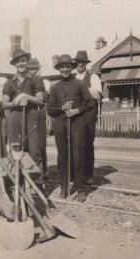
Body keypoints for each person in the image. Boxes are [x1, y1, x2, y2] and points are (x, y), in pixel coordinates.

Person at [46, 54, 95, 202]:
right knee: (62, 157)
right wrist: (62, 108)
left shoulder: (79, 84)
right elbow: (50, 109)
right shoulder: (55, 88)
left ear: (71, 68)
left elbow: (90, 103)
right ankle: (64, 187)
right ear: (59, 69)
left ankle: (80, 189)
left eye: (67, 66)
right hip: (61, 125)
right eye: (62, 67)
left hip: (77, 124)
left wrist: (77, 110)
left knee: (78, 156)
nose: (65, 69)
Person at [2, 49, 46, 186]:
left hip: (31, 118)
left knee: (35, 151)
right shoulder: (9, 82)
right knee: (16, 151)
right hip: (15, 119)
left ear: (27, 62)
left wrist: (26, 96)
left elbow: (40, 100)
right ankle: (17, 182)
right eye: (17, 62)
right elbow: (4, 103)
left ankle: (37, 184)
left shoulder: (35, 79)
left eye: (23, 61)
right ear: (14, 64)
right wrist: (15, 102)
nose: (20, 64)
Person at [73, 50, 102, 186]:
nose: (80, 64)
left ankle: (88, 175)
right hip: (75, 113)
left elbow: (96, 95)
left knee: (88, 144)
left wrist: (82, 86)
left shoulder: (93, 77)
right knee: (75, 144)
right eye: (78, 62)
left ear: (86, 63)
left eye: (82, 62)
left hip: (89, 113)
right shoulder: (72, 77)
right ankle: (76, 174)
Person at [26, 58, 50, 179]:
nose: (33, 71)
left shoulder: (43, 80)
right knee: (34, 144)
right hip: (32, 112)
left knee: (41, 142)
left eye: (35, 69)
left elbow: (43, 98)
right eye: (31, 69)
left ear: (39, 69)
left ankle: (44, 170)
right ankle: (38, 170)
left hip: (40, 112)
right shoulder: (29, 81)